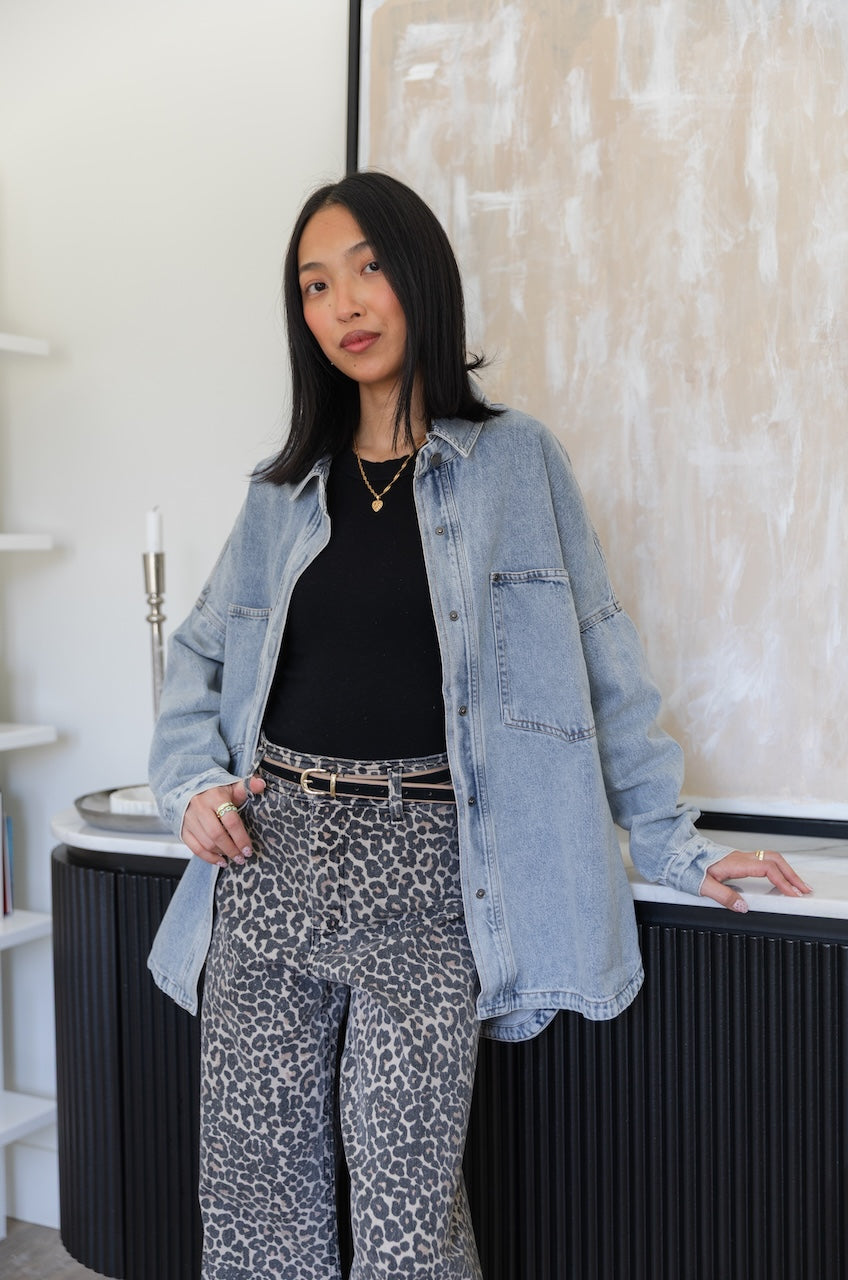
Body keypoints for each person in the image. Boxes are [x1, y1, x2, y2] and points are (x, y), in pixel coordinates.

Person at [147, 171, 811, 1280]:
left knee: (409, 1214)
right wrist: (191, 785)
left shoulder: (513, 462)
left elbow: (603, 661)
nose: (345, 303)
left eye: (366, 267)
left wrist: (673, 841)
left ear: (419, 277)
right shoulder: (282, 490)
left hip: (426, 876)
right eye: (315, 284)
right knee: (258, 1208)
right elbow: (201, 653)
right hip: (270, 857)